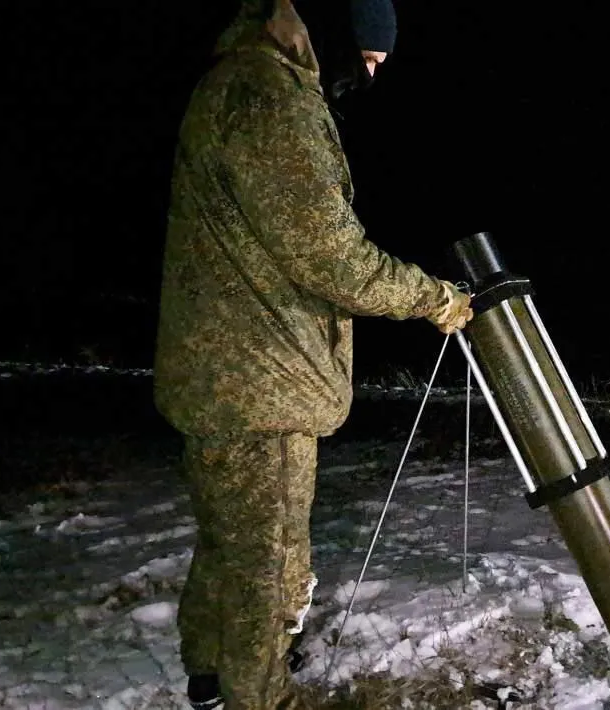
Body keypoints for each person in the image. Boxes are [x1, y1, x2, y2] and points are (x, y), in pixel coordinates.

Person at [152, 1, 473, 708]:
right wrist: (432, 296)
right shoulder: (269, 98)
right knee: (267, 562)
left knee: (231, 541)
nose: (368, 76)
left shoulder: (241, 80)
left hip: (228, 369)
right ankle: (260, 697)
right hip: (257, 375)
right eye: (365, 58)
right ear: (330, 31)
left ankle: (211, 672)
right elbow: (331, 256)